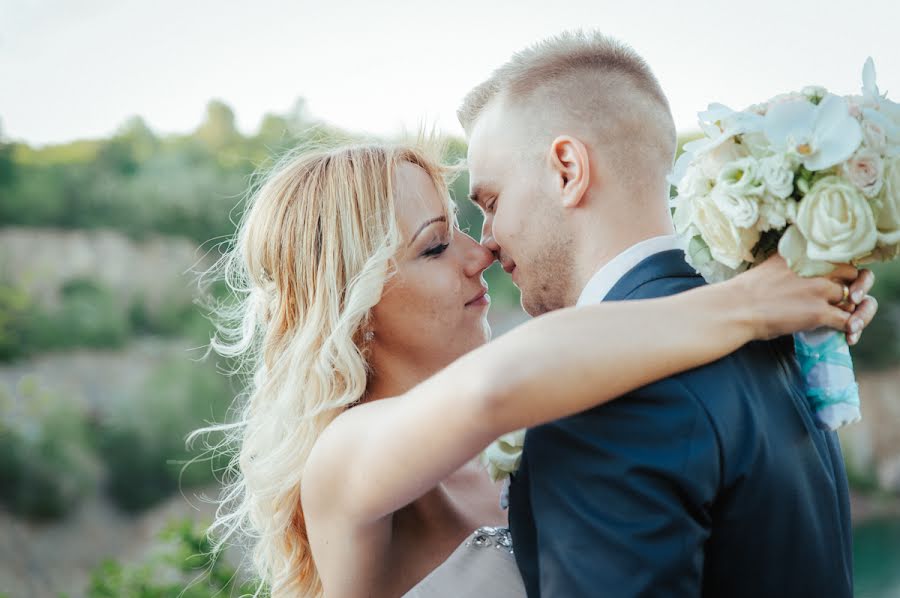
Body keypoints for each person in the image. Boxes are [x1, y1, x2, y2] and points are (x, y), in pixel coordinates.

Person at [196, 137, 876, 597]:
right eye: (435, 247)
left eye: (464, 226)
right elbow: (497, 385)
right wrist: (749, 304)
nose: (480, 254)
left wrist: (800, 315)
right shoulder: (340, 461)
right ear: (355, 306)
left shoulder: (542, 405)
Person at [458, 30, 877, 597]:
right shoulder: (783, 336)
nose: (486, 241)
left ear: (566, 169)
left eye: (491, 202)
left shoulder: (600, 385)